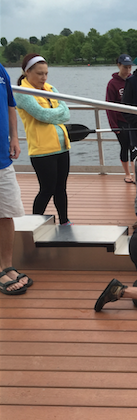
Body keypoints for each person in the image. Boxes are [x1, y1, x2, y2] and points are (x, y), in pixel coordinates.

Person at [15, 54, 72, 225]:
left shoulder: (50, 88)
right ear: (27, 72)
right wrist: (57, 115)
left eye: (46, 73)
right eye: (39, 73)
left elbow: (66, 113)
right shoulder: (22, 92)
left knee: (61, 188)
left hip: (62, 146)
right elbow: (40, 114)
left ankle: (64, 221)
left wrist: (52, 116)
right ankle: (33, 224)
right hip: (42, 150)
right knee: (47, 189)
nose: (44, 77)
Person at [0, 62, 33, 295]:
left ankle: (6, 265)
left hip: (2, 156)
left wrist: (15, 137)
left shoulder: (0, 70)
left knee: (6, 212)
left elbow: (11, 105)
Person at [105, 53, 135, 183]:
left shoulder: (133, 80)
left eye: (129, 67)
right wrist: (113, 125)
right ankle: (127, 173)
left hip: (133, 120)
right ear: (119, 66)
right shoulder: (112, 84)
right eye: (125, 67)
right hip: (120, 121)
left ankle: (136, 173)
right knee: (125, 146)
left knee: (135, 147)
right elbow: (109, 105)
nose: (127, 70)